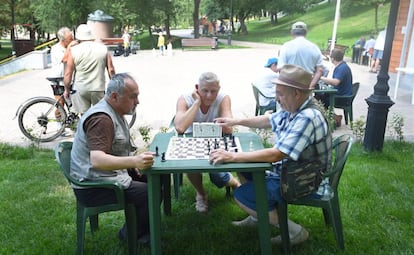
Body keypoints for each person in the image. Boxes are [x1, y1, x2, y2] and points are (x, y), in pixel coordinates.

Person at [210, 64, 332, 246]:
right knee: (244, 169)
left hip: (302, 179)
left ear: (296, 93)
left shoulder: (307, 117)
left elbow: (277, 154)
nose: (276, 98)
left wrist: (232, 156)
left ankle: (295, 231)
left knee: (242, 195)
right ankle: (258, 216)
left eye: (280, 93)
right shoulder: (294, 107)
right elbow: (270, 119)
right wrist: (237, 120)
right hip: (290, 170)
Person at [70, 73, 154, 245]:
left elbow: (114, 150)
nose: (137, 102)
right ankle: (133, 235)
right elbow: (98, 160)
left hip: (104, 176)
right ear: (115, 96)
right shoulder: (102, 119)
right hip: (93, 187)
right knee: (148, 192)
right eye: (133, 97)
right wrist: (134, 162)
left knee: (155, 178)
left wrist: (132, 161)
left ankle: (141, 228)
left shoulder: (113, 111)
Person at [174, 72, 241, 213]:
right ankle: (201, 194)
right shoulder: (184, 99)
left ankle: (234, 182)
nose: (209, 96)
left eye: (213, 91)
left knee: (218, 177)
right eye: (205, 91)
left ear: (219, 89)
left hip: (216, 142)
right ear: (197, 88)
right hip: (191, 143)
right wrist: (197, 103)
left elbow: (229, 129)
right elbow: (180, 127)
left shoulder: (224, 98)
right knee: (190, 165)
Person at [63, 24, 116, 114]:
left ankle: (86, 127)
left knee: (84, 116)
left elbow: (68, 73)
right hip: (98, 87)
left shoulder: (74, 50)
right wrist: (114, 85)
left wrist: (67, 89)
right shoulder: (103, 48)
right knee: (100, 114)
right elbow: (111, 70)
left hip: (81, 88)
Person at [277, 21, 324, 89]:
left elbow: (281, 69)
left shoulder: (286, 46)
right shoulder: (314, 48)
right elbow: (320, 70)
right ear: (306, 32)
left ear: (292, 32)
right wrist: (311, 86)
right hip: (307, 84)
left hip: (290, 85)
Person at [318, 49, 353, 127]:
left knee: (319, 100)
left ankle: (335, 118)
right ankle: (335, 117)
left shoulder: (341, 68)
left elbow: (335, 82)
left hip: (342, 97)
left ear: (332, 58)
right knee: (320, 96)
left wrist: (320, 78)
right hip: (342, 94)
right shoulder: (343, 66)